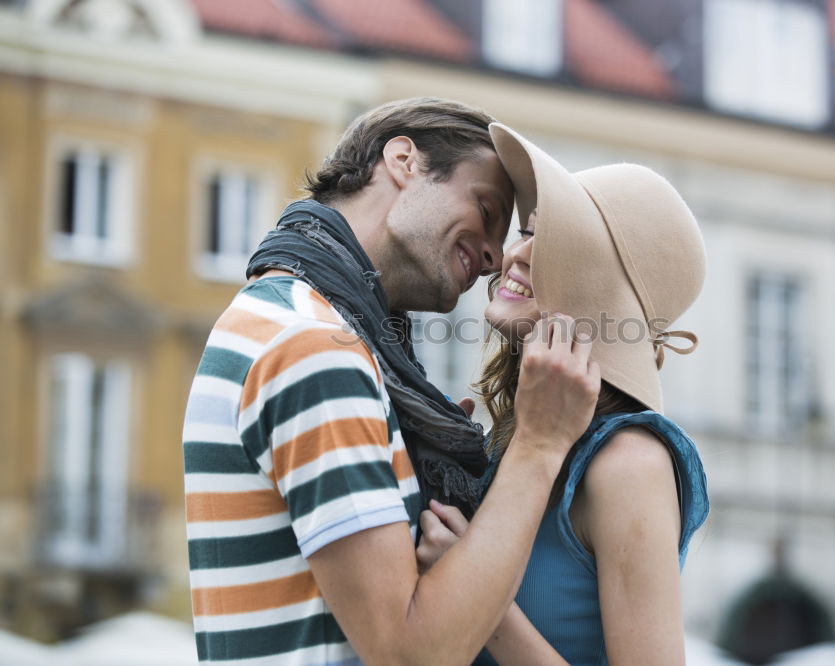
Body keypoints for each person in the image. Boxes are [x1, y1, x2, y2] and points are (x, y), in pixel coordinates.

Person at [182, 99, 601, 665]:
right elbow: (409, 653)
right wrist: (540, 443)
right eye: (486, 207)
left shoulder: (293, 322)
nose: (495, 257)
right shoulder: (313, 349)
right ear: (404, 160)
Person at [416, 123, 711, 665]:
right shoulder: (519, 440)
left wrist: (477, 593)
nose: (516, 254)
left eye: (553, 238)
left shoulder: (628, 463)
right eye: (525, 232)